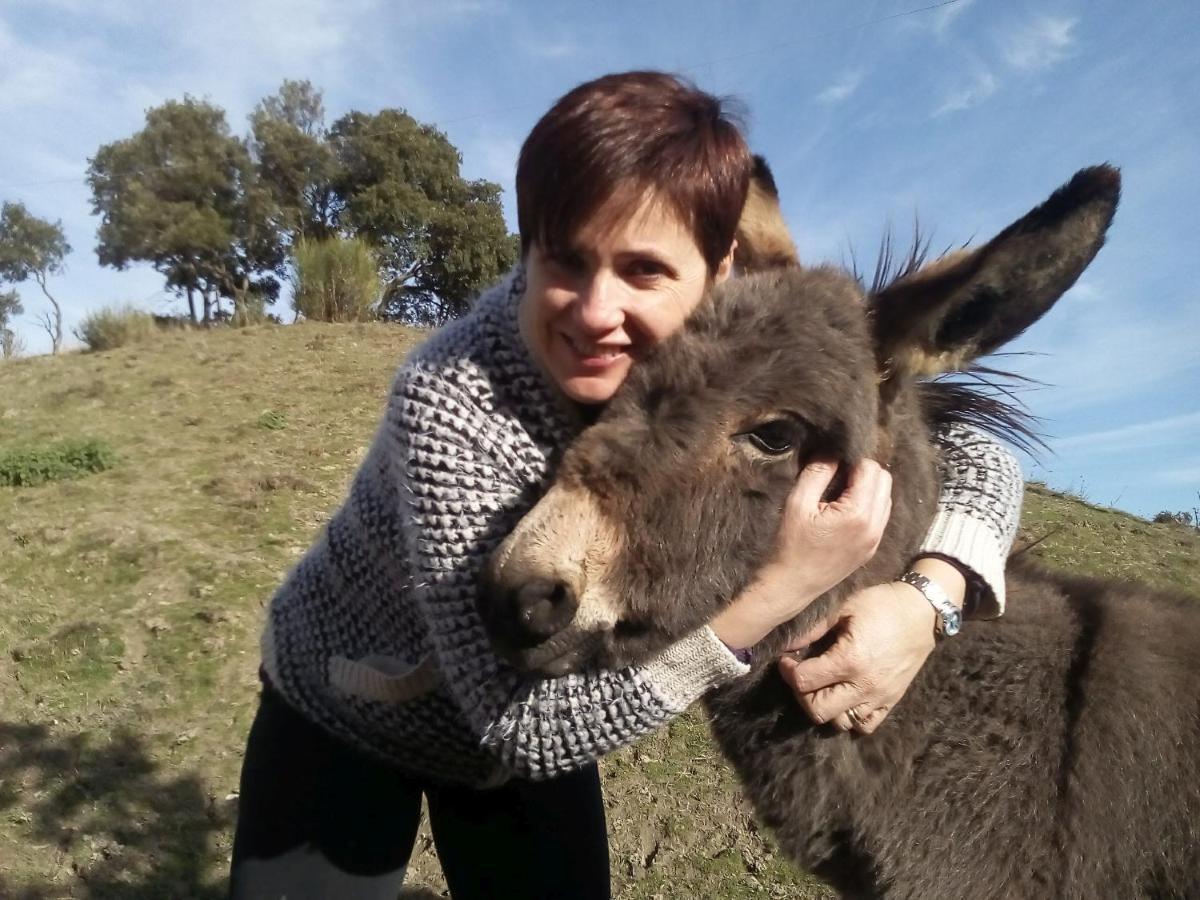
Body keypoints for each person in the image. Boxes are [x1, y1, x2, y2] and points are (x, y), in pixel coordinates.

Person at [228, 71, 1023, 899]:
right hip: (350, 708)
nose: (595, 313)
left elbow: (962, 446)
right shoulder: (451, 398)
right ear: (528, 247)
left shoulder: (718, 350)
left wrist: (930, 598)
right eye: (565, 259)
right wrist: (776, 591)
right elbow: (528, 728)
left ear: (723, 268)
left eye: (644, 270)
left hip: (523, 731)